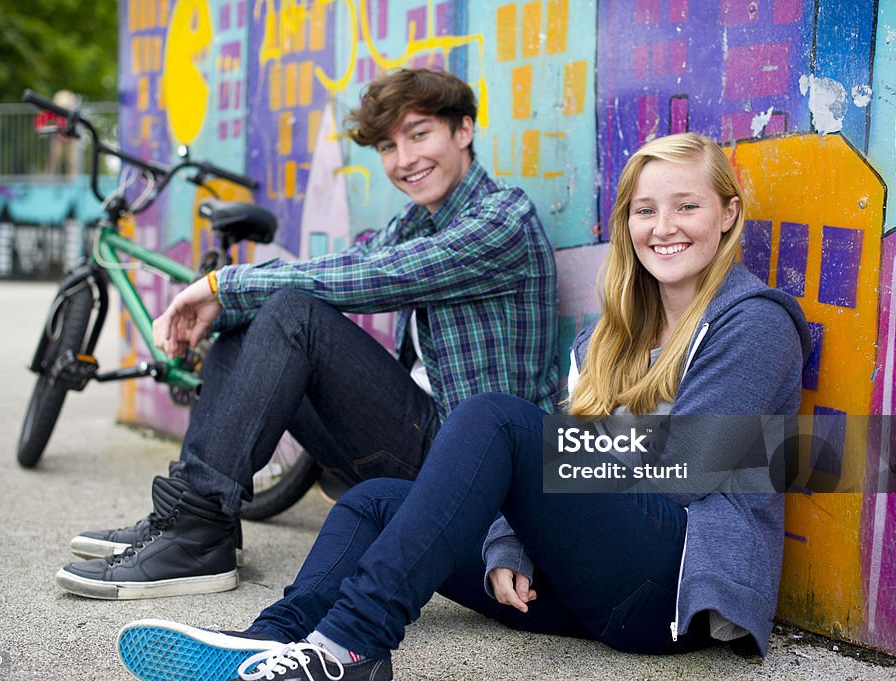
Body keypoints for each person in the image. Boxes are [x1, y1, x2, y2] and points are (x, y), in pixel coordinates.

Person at [112, 132, 812, 681]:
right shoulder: (610, 336)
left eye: (686, 206)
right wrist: (512, 538)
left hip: (672, 589)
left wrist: (536, 487)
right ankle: (273, 641)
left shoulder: (753, 324)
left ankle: (352, 645)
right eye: (646, 208)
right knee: (373, 501)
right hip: (589, 586)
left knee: (495, 418)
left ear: (727, 214)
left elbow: (684, 471)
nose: (664, 226)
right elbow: (572, 469)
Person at [55, 68, 559, 599]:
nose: (404, 159)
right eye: (388, 146)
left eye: (419, 134)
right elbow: (346, 262)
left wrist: (221, 284)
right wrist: (222, 308)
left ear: (463, 131)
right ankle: (198, 520)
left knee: (291, 311)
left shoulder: (503, 220)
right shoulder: (416, 222)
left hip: (475, 463)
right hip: (420, 444)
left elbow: (375, 278)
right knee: (248, 319)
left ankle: (195, 532)